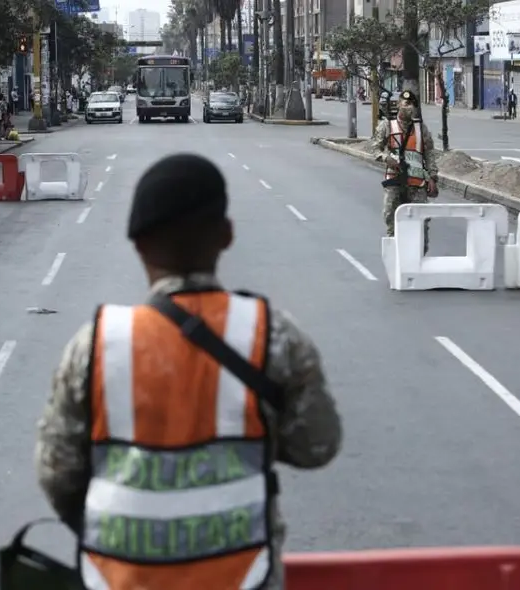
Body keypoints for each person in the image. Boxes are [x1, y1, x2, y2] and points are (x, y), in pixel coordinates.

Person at [36, 154, 342, 590]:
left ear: (138, 244)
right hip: (244, 576)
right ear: (226, 236)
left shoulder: (96, 345)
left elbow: (57, 473)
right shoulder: (271, 335)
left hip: (119, 577)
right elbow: (318, 445)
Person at [370, 89, 439, 250]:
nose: (409, 108)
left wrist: (433, 178)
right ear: (399, 105)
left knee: (420, 220)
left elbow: (429, 154)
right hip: (395, 181)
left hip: (417, 183)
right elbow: (375, 148)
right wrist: (385, 157)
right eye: (406, 104)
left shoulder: (421, 129)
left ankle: (420, 252)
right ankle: (394, 249)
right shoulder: (387, 125)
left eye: (413, 105)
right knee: (390, 214)